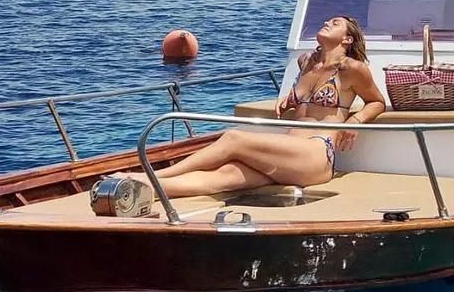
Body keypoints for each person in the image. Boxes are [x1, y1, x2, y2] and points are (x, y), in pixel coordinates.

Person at [154, 15, 386, 199]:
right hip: (289, 151)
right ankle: (145, 188)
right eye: (326, 20)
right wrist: (290, 98)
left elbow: (377, 102)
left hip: (316, 154)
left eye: (335, 24)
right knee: (227, 175)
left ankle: (153, 175)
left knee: (234, 137)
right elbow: (307, 99)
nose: (327, 23)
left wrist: (355, 121)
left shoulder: (352, 69)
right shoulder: (305, 61)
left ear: (347, 40)